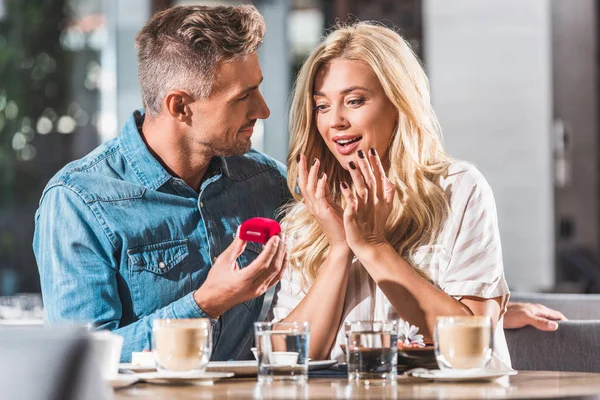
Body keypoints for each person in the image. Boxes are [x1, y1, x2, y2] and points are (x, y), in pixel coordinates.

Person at [33, 5, 290, 362]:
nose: (263, 110)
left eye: (257, 90)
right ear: (180, 106)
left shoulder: (268, 181)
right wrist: (205, 304)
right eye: (243, 96)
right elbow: (79, 361)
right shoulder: (78, 200)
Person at [271, 21, 513, 367]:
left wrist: (372, 246)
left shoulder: (459, 189)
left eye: (354, 101)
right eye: (322, 106)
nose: (335, 120)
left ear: (399, 104)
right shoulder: (310, 215)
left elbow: (471, 340)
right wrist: (340, 248)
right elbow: (287, 356)